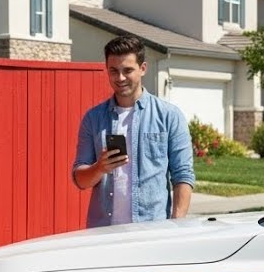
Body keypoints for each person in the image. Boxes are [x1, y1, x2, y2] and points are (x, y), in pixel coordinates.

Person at [72, 35, 195, 227]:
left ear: (142, 69)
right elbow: (80, 180)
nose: (120, 78)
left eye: (127, 70)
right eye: (113, 71)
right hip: (103, 233)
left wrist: (176, 227)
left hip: (151, 232)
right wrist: (100, 167)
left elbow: (183, 175)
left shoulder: (169, 116)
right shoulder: (93, 119)